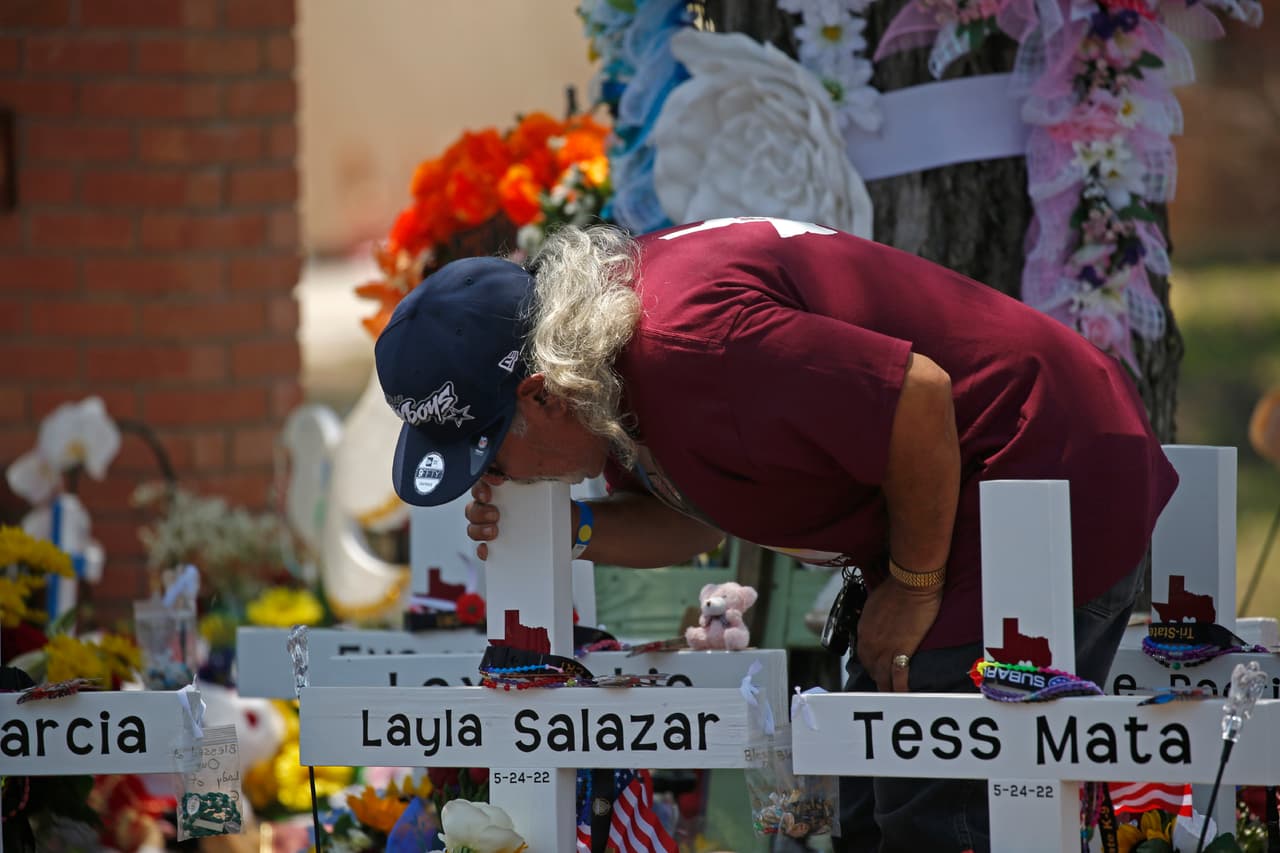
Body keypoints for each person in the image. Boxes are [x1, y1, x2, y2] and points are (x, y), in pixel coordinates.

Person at [373, 217, 1179, 852]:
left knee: (947, 821)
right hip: (966, 494)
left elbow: (918, 398)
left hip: (1035, 472)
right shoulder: (611, 354)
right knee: (870, 813)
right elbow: (692, 517)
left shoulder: (692, 345)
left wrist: (914, 581)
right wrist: (574, 528)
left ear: (544, 395)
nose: (497, 476)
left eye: (490, 446)